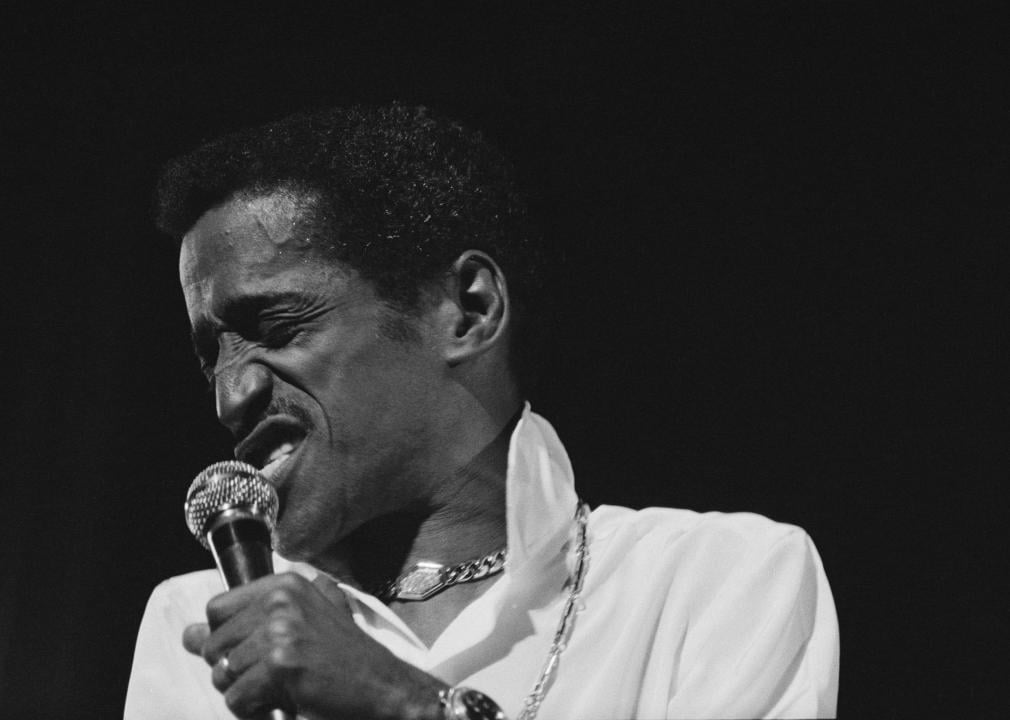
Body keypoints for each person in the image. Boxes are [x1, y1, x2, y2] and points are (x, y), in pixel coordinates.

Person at [125, 104, 839, 720]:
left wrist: (403, 702)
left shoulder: (708, 583)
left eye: (279, 327)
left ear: (468, 310)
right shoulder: (200, 622)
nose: (231, 396)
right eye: (210, 356)